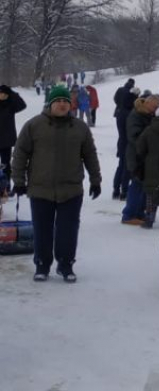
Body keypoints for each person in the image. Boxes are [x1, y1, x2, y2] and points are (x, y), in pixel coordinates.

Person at [11, 85, 101, 282]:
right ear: (50, 104)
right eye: (58, 101)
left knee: (68, 230)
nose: (62, 104)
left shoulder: (80, 127)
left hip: (71, 189)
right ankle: (42, 265)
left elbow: (90, 155)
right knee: (42, 229)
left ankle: (65, 265)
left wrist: (96, 180)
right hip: (40, 188)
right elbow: (20, 154)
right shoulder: (34, 125)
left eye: (65, 101)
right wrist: (18, 181)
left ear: (70, 104)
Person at [122, 94, 159, 224]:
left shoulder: (149, 115)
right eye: (155, 106)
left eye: (158, 107)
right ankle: (129, 215)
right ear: (147, 103)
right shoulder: (136, 115)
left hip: (145, 157)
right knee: (137, 185)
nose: (156, 109)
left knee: (144, 185)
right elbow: (134, 137)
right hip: (136, 157)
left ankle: (139, 213)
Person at [112, 84, 138, 200]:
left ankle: (116, 189)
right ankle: (124, 191)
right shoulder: (131, 114)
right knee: (127, 168)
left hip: (121, 142)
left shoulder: (120, 112)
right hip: (129, 143)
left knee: (121, 166)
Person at [0, 85, 27, 188]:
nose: (2, 95)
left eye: (4, 93)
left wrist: (12, 93)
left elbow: (23, 105)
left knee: (5, 165)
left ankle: (6, 187)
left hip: (6, 141)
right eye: (0, 93)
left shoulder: (10, 105)